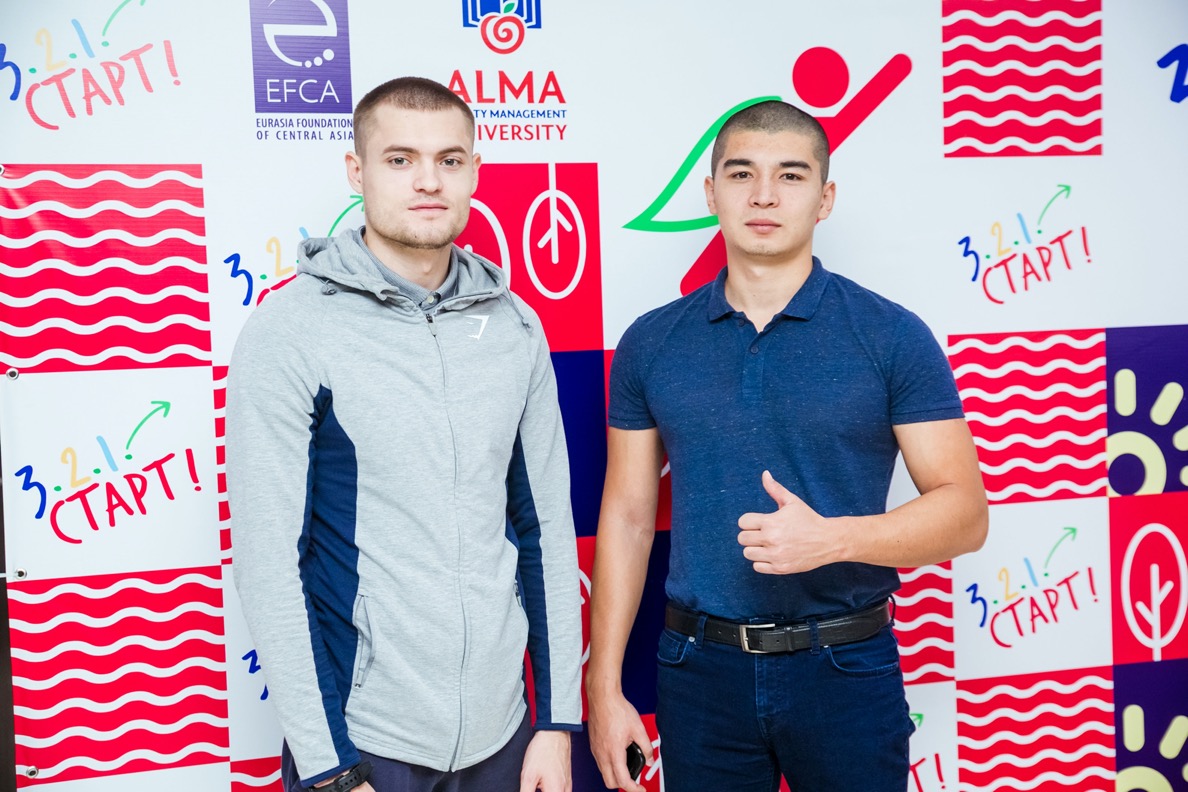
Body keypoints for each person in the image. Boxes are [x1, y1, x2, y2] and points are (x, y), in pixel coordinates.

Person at [586, 100, 989, 792]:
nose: (765, 195)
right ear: (711, 193)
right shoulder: (652, 342)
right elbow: (626, 518)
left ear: (824, 199)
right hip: (698, 672)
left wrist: (832, 539)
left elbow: (966, 515)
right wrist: (603, 687)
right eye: (742, 173)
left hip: (845, 667)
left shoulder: (891, 336)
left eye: (791, 175)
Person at [227, 76, 582, 792]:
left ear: (474, 171)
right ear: (356, 171)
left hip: (505, 737)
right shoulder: (292, 329)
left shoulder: (515, 327)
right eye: (400, 159)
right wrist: (329, 768)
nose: (428, 181)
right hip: (366, 743)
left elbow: (545, 529)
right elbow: (268, 563)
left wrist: (555, 723)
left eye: (449, 160)